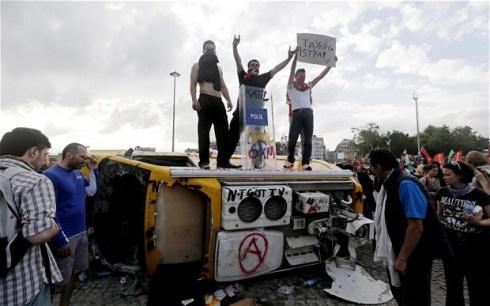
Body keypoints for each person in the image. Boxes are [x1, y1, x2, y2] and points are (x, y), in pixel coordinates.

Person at [369, 149, 449, 306]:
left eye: (371, 167)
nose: (370, 170)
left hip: (415, 254)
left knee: (415, 297)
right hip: (401, 250)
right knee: (402, 295)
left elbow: (416, 227)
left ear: (378, 166)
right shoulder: (390, 183)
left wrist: (402, 258)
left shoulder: (406, 184)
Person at [0, 127, 62, 306]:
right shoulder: (34, 181)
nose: (46, 159)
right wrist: (54, 226)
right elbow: (36, 235)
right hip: (20, 286)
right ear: (33, 152)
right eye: (45, 154)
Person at [43, 143, 97, 306]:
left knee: (75, 271)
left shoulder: (77, 173)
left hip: (80, 232)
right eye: (82, 156)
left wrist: (93, 170)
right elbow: (48, 211)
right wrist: (59, 239)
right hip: (64, 236)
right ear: (69, 155)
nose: (84, 160)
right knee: (58, 277)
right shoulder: (50, 176)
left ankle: (64, 303)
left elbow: (92, 191)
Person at [226, 35, 295, 161]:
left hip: (256, 116)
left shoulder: (263, 78)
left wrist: (289, 58)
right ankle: (224, 160)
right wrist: (234, 46)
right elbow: (238, 61)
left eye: (257, 65)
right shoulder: (243, 76)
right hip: (241, 113)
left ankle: (257, 162)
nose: (255, 67)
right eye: (252, 65)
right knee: (232, 138)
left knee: (258, 140)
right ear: (248, 67)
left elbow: (277, 68)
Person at [437, 160, 490, 306]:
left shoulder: (478, 195)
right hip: (451, 247)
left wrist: (478, 222)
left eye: (448, 175)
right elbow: (439, 216)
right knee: (453, 286)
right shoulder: (442, 192)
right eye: (443, 174)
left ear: (460, 175)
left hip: (475, 248)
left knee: (477, 286)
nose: (444, 177)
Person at [283, 49, 335, 171]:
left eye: (304, 76)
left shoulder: (308, 86)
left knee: (307, 140)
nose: (303, 79)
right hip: (296, 113)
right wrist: (295, 57)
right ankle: (290, 159)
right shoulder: (291, 86)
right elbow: (291, 70)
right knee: (292, 138)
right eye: (300, 76)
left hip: (308, 114)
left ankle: (305, 162)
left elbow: (321, 76)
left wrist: (330, 65)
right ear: (295, 77)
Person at [190, 40, 235, 169]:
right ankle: (204, 162)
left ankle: (223, 161)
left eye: (212, 48)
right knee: (204, 132)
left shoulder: (218, 68)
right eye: (207, 48)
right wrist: (194, 100)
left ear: (215, 50)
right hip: (204, 99)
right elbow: (192, 84)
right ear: (203, 50)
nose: (210, 50)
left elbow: (222, 85)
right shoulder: (197, 65)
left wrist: (229, 99)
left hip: (218, 101)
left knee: (223, 134)